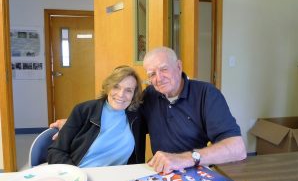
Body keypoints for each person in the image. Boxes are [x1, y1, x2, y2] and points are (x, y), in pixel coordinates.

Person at [51, 47, 247, 174]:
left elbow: (238, 149)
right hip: (158, 171)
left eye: (163, 69)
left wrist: (185, 159)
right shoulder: (150, 96)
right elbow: (118, 111)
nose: (158, 78)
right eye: (151, 74)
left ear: (178, 66)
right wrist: (74, 123)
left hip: (194, 170)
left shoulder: (206, 94)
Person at [47, 65, 146, 167]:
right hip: (80, 174)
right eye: (116, 86)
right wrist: (74, 174)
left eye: (128, 90)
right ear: (108, 87)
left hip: (117, 179)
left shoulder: (138, 117)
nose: (121, 94)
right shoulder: (85, 110)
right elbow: (56, 151)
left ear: (134, 94)